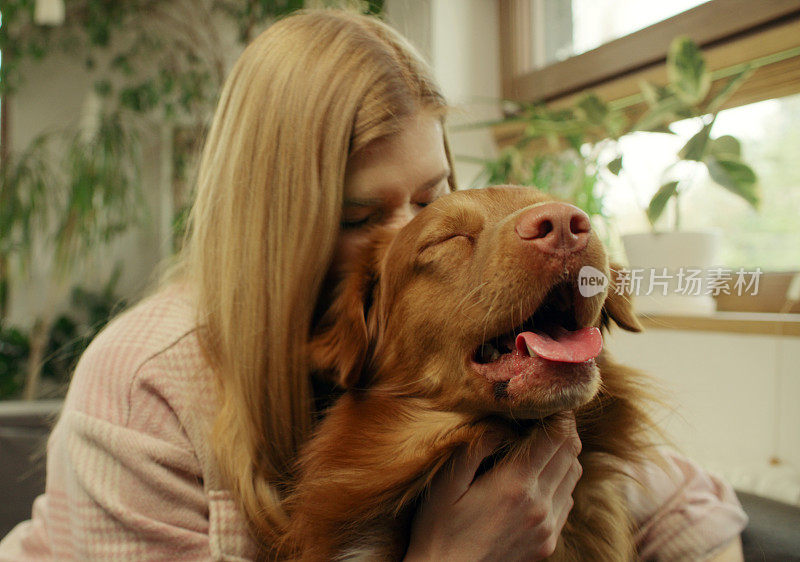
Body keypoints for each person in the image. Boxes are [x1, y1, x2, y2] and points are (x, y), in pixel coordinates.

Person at [0, 9, 746, 561]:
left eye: (431, 202)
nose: (404, 241)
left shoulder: (470, 350)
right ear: (268, 231)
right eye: (359, 215)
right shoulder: (146, 379)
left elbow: (686, 504)